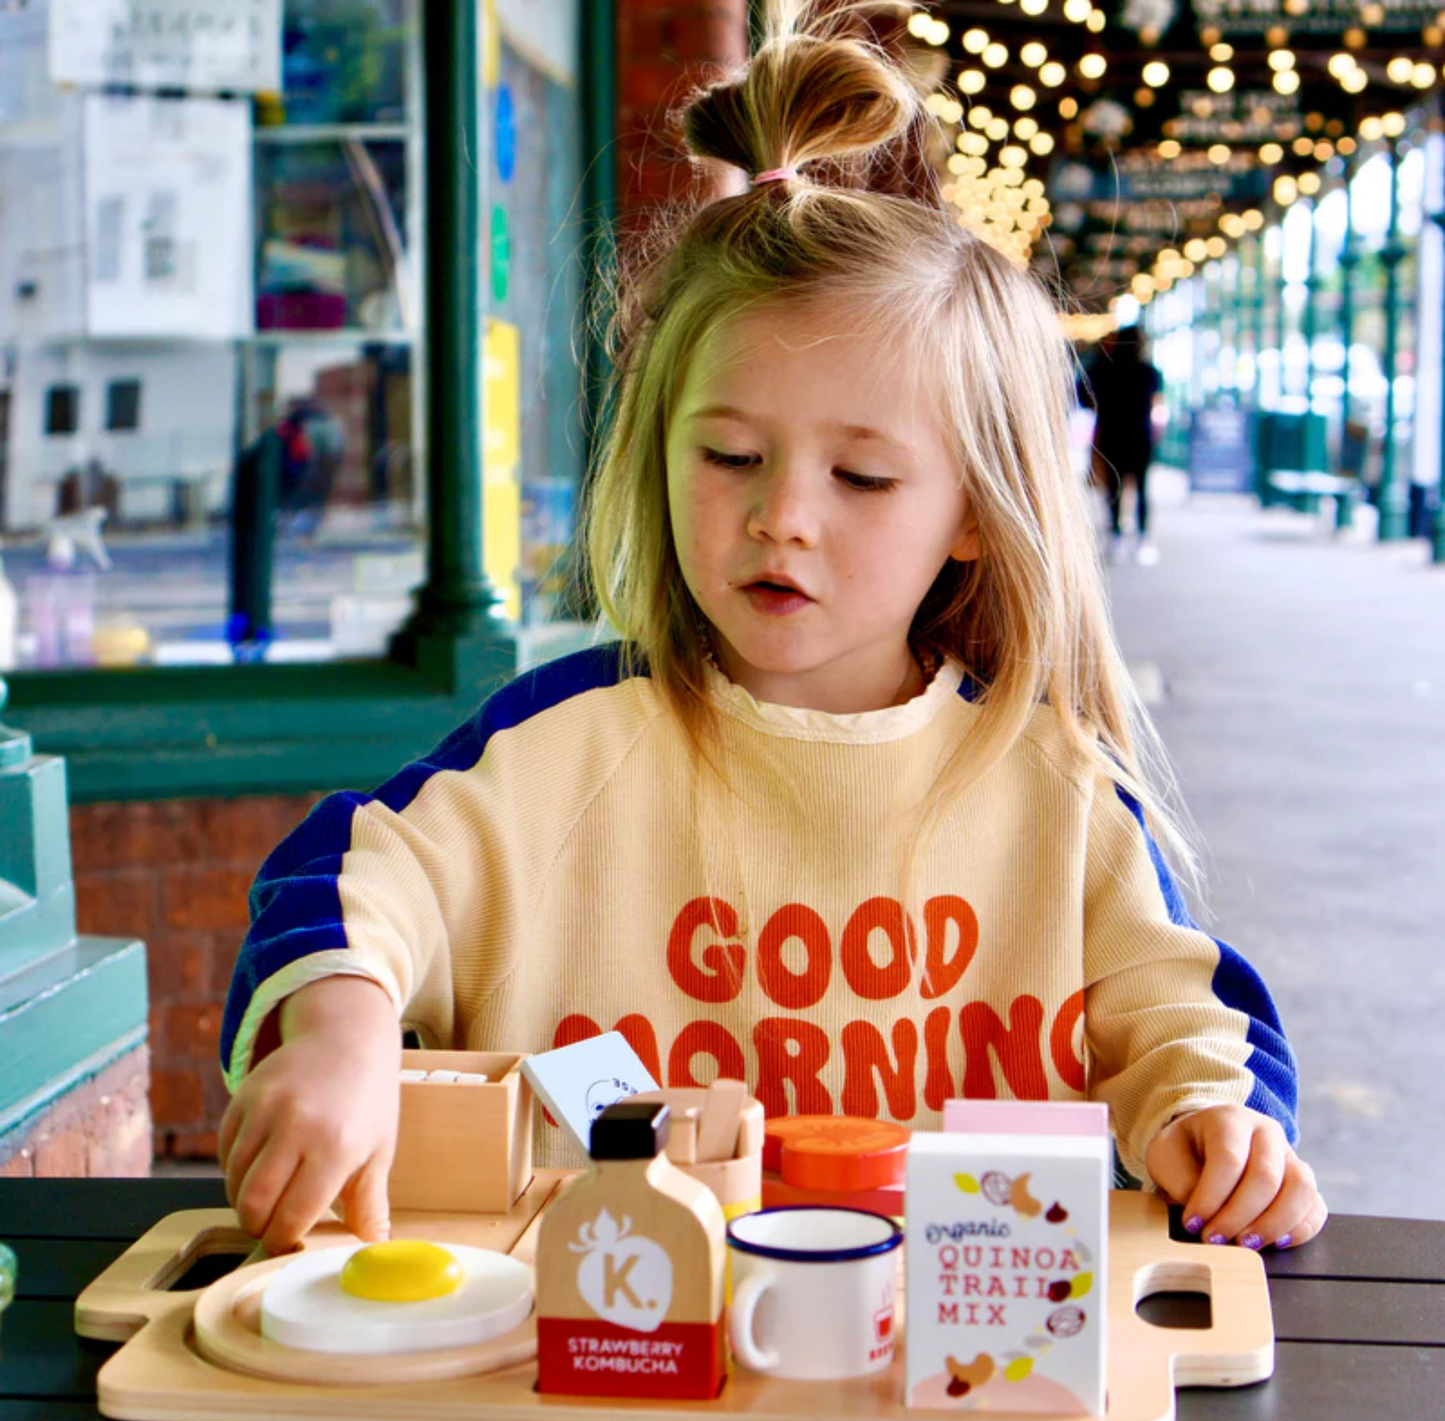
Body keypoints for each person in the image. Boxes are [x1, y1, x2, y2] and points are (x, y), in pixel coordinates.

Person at [218, 1, 1324, 1261]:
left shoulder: (1052, 782)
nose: (781, 517)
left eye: (860, 478)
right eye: (730, 454)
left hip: (954, 1378)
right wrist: (343, 1021)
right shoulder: (560, 746)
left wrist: (1216, 1126)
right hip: (612, 1358)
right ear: (658, 447)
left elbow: (1180, 1008)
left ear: (973, 512)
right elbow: (350, 879)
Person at [1083, 326, 1163, 564]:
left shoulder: (1103, 368)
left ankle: (1117, 536)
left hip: (1111, 436)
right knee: (1141, 487)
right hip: (1140, 437)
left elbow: (1083, 396)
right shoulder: (1149, 372)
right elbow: (1155, 402)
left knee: (1114, 489)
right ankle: (1142, 538)